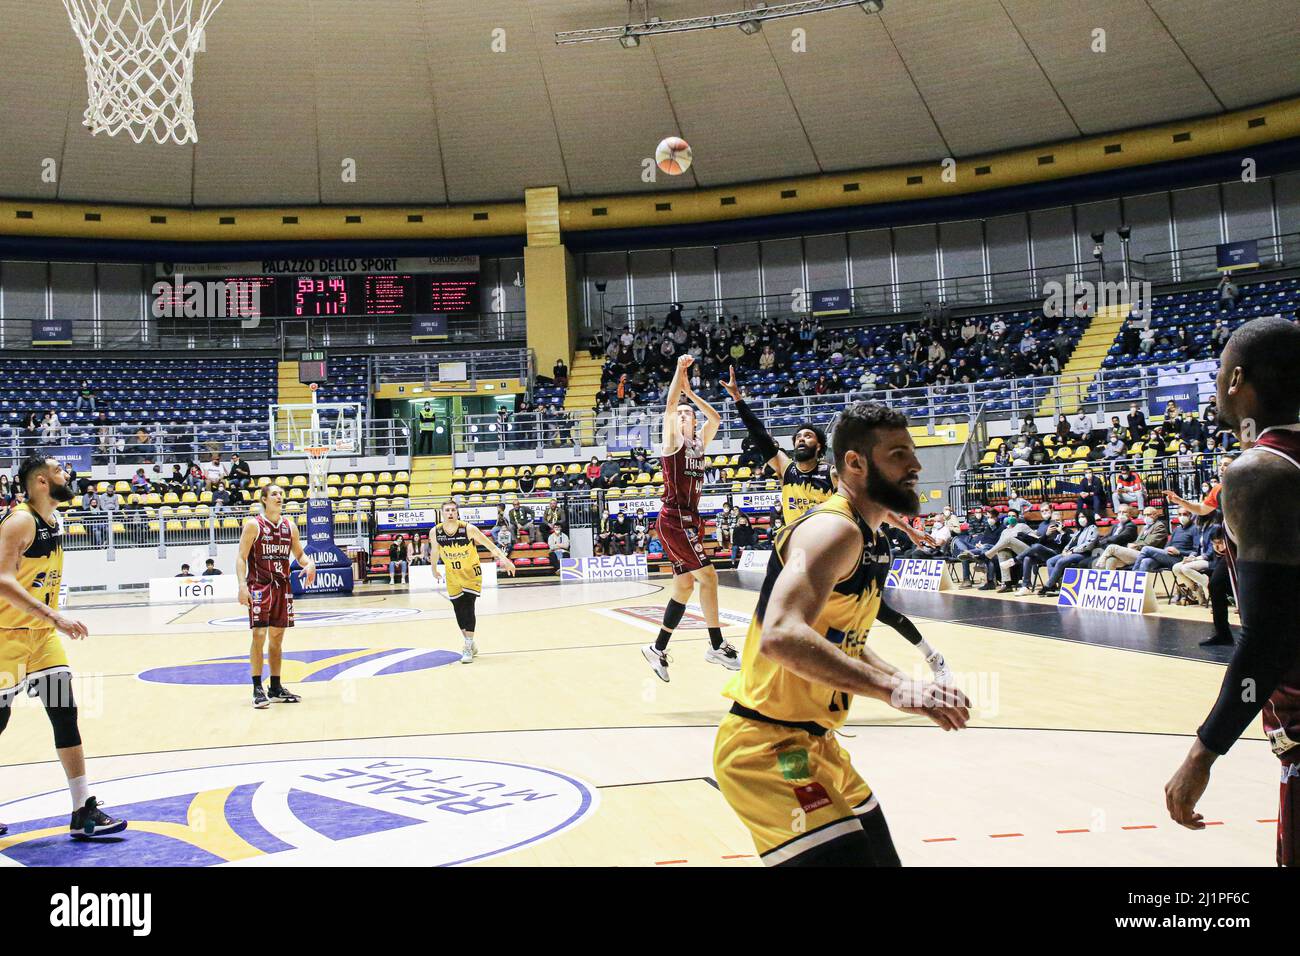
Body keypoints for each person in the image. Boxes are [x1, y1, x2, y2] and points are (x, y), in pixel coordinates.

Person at [713, 402, 971, 866]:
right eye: (897, 455)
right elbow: (781, 635)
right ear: (854, 462)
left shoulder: (871, 539)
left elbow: (839, 639)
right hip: (767, 749)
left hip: (819, 747)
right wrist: (895, 691)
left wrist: (909, 684)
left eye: (911, 452)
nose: (914, 465)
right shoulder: (834, 530)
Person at [1164, 316, 1300, 866]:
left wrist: (1205, 749)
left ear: (1236, 379)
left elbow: (1268, 640)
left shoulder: (1260, 470)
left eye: (1220, 372)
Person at [720, 366, 948, 681]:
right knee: (806, 620)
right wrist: (738, 401)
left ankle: (932, 658)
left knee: (878, 612)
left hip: (838, 551)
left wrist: (908, 529)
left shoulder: (831, 474)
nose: (801, 439)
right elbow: (760, 437)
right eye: (798, 436)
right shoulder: (786, 468)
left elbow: (873, 504)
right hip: (802, 555)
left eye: (808, 436)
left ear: (819, 445)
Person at [0, 455, 127, 839]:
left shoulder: (53, 520)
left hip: (40, 639)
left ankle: (82, 811)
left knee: (64, 713)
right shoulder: (21, 520)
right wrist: (55, 616)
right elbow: (2, 579)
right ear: (40, 481)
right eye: (59, 471)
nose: (67, 475)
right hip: (6, 637)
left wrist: (50, 620)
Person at [643, 355, 739, 682]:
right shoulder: (673, 442)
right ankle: (716, 644)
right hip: (673, 518)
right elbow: (670, 405)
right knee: (709, 578)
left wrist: (692, 395)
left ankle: (657, 648)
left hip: (690, 519)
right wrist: (679, 374)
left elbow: (716, 419)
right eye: (681, 413)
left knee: (684, 586)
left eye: (689, 414)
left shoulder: (698, 445)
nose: (684, 414)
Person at [237, 483, 316, 709]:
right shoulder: (254, 525)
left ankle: (275, 686)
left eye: (281, 494)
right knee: (259, 634)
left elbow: (299, 554)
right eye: (274, 494)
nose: (279, 497)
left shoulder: (289, 526)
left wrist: (310, 563)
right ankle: (256, 688)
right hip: (259, 586)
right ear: (264, 499)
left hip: (282, 586)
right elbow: (241, 557)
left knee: (278, 637)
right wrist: (242, 586)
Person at [431, 501, 516, 664]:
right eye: (447, 510)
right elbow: (435, 551)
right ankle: (469, 641)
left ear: (457, 513)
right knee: (458, 609)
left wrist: (505, 560)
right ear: (442, 513)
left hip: (471, 573)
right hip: (452, 574)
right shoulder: (435, 532)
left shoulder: (468, 529)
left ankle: (468, 645)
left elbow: (490, 545)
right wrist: (433, 569)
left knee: (468, 605)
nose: (450, 513)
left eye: (453, 510)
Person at [1036, 512, 1099, 596]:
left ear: (1089, 517)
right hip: (1071, 552)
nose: (1081, 519)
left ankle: (1048, 585)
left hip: (1083, 554)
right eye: (1079, 517)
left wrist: (1072, 551)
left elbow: (1088, 544)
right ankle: (1054, 586)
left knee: (1061, 561)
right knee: (1050, 561)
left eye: (1083, 516)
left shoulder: (1093, 528)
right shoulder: (1079, 530)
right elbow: (1071, 542)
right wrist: (1065, 550)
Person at [1098, 505, 1168, 570]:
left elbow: (1151, 542)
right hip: (1138, 553)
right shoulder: (1145, 527)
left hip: (1149, 555)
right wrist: (1134, 545)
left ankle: (1099, 566)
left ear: (1156, 515)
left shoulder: (1159, 526)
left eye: (1149, 514)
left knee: (1112, 547)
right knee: (1111, 560)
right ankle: (1110, 580)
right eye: (1145, 515)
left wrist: (1136, 546)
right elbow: (1138, 541)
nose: (1146, 517)